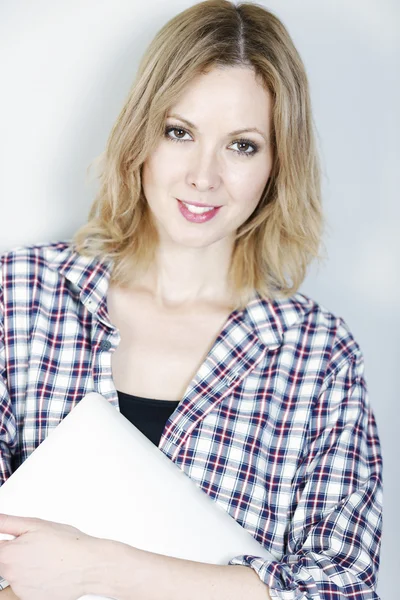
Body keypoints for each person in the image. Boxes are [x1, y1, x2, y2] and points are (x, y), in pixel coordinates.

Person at [0, 0, 382, 599]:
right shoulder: (19, 295)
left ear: (279, 164)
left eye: (243, 146)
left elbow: (344, 587)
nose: (203, 176)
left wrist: (102, 570)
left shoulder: (317, 354)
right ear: (142, 136)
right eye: (180, 133)